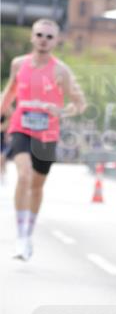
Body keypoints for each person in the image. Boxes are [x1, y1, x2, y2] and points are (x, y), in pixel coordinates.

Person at [0, 17, 86, 260]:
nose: (43, 40)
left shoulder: (61, 71)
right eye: (39, 35)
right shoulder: (19, 65)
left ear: (56, 41)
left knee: (36, 185)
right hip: (21, 126)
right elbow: (9, 92)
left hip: (47, 132)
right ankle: (20, 236)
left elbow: (79, 104)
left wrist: (61, 110)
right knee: (24, 175)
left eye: (49, 37)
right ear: (32, 37)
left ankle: (29, 232)